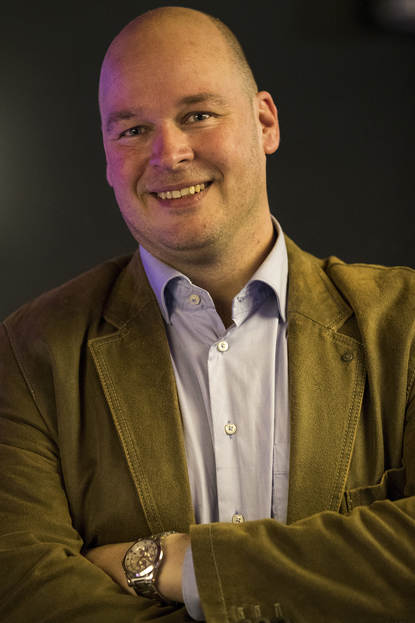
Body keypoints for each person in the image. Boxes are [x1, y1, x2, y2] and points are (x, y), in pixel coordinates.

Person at [0, 6, 414, 623]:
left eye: (197, 115)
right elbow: (24, 589)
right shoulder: (27, 352)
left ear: (265, 122)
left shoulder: (405, 324)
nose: (168, 153)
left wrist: (177, 564)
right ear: (107, 155)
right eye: (132, 129)